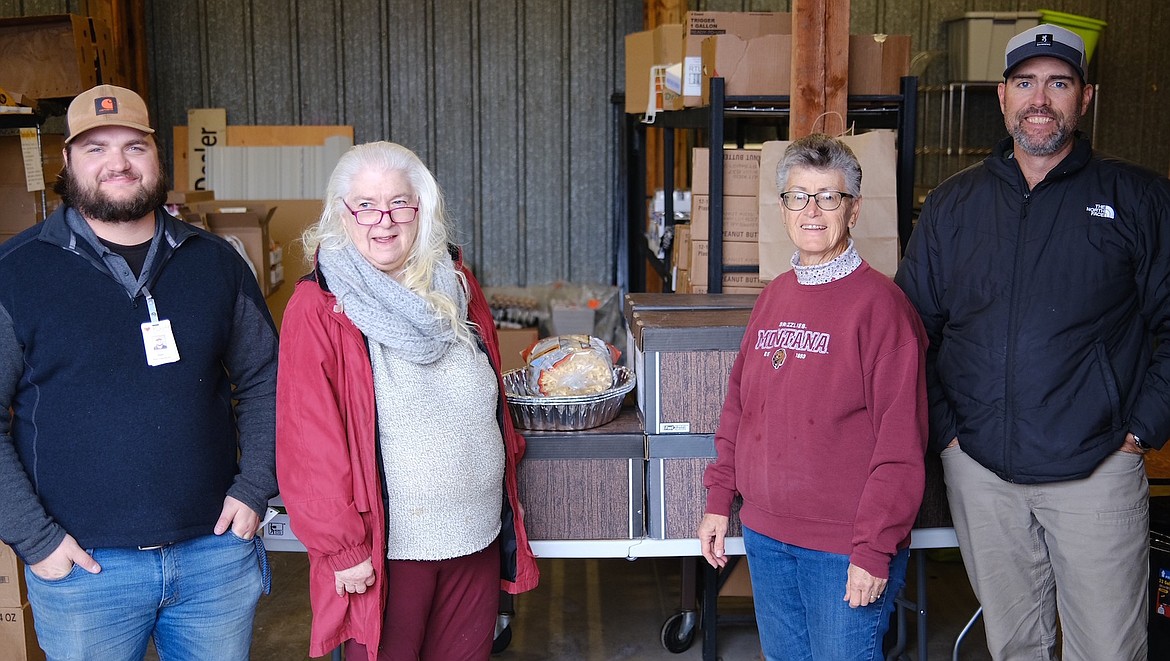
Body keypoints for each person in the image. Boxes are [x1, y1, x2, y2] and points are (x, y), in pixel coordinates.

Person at [895, 24, 1170, 660]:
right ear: (1002, 96)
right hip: (982, 472)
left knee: (1107, 650)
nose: (1039, 98)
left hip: (1096, 470)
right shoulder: (952, 206)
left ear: (1086, 96)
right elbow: (913, 331)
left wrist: (1141, 429)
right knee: (1015, 646)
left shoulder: (1138, 200)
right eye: (1026, 82)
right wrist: (949, 434)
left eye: (1058, 83)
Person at [0, 84, 278, 659]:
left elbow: (266, 381)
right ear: (67, 163)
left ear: (157, 158)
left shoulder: (217, 263)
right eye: (96, 148)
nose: (118, 163)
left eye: (134, 146)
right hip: (83, 571)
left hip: (215, 558)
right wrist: (35, 540)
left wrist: (255, 491)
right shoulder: (16, 273)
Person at [275, 141, 540, 660]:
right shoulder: (320, 305)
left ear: (423, 209)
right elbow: (308, 439)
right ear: (342, 215)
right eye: (366, 206)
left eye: (400, 203)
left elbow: (490, 399)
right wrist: (342, 548)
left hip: (476, 532)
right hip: (386, 552)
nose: (384, 221)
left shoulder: (457, 284)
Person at [698, 133, 928, 661]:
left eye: (829, 196)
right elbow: (740, 408)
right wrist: (719, 502)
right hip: (766, 536)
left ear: (854, 209)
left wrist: (873, 550)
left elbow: (901, 445)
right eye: (798, 196)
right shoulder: (775, 296)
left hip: (842, 548)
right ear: (783, 209)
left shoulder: (882, 309)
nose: (812, 210)